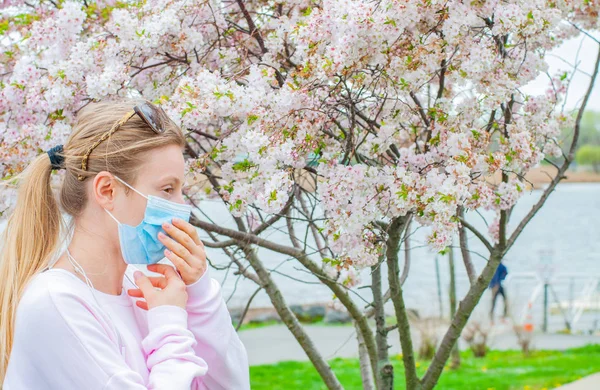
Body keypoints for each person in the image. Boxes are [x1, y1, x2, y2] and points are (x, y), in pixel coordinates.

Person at [0, 100, 250, 389]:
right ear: (107, 190)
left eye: (182, 190)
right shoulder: (56, 304)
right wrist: (168, 325)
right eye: (168, 189)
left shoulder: (142, 290)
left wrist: (201, 294)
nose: (182, 207)